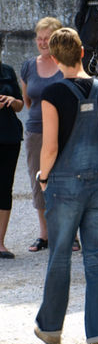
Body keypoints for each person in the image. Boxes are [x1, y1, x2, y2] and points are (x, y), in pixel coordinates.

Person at [33, 28, 98, 344]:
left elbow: (50, 147)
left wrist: (43, 178)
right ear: (83, 53)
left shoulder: (53, 93)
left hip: (65, 184)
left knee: (59, 256)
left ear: (54, 59)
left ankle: (52, 329)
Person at [21, 17, 67, 253]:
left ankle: (71, 234)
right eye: (39, 38)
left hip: (64, 131)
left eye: (46, 38)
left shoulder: (66, 64)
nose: (42, 42)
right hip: (36, 131)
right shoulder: (29, 66)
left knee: (66, 180)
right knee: (39, 182)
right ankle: (44, 234)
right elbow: (28, 101)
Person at [0, 56, 24, 258]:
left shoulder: (7, 70)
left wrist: (12, 101)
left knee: (5, 188)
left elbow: (21, 104)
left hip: (9, 137)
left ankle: (0, 243)